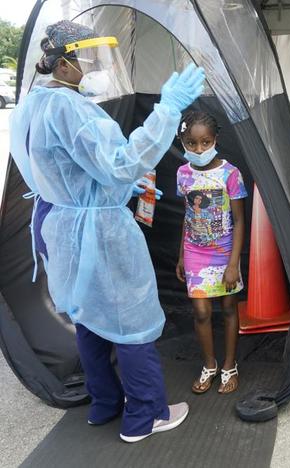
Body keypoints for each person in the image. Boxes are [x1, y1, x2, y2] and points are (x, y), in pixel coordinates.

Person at [9, 20, 206, 442]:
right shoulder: (72, 108)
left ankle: (104, 404)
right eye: (86, 58)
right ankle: (146, 417)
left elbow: (64, 166)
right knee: (131, 322)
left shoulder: (31, 105)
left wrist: (113, 185)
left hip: (61, 223)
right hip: (97, 230)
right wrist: (168, 109)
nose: (95, 67)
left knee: (90, 319)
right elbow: (120, 161)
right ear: (62, 64)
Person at [175, 111, 247, 395]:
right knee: (201, 311)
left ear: (215, 140)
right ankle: (210, 364)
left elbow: (240, 220)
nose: (199, 149)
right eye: (192, 143)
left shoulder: (230, 174)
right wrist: (182, 254)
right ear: (183, 142)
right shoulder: (183, 174)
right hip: (195, 252)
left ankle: (230, 365)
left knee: (229, 308)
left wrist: (233, 264)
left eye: (205, 142)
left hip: (225, 252)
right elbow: (187, 216)